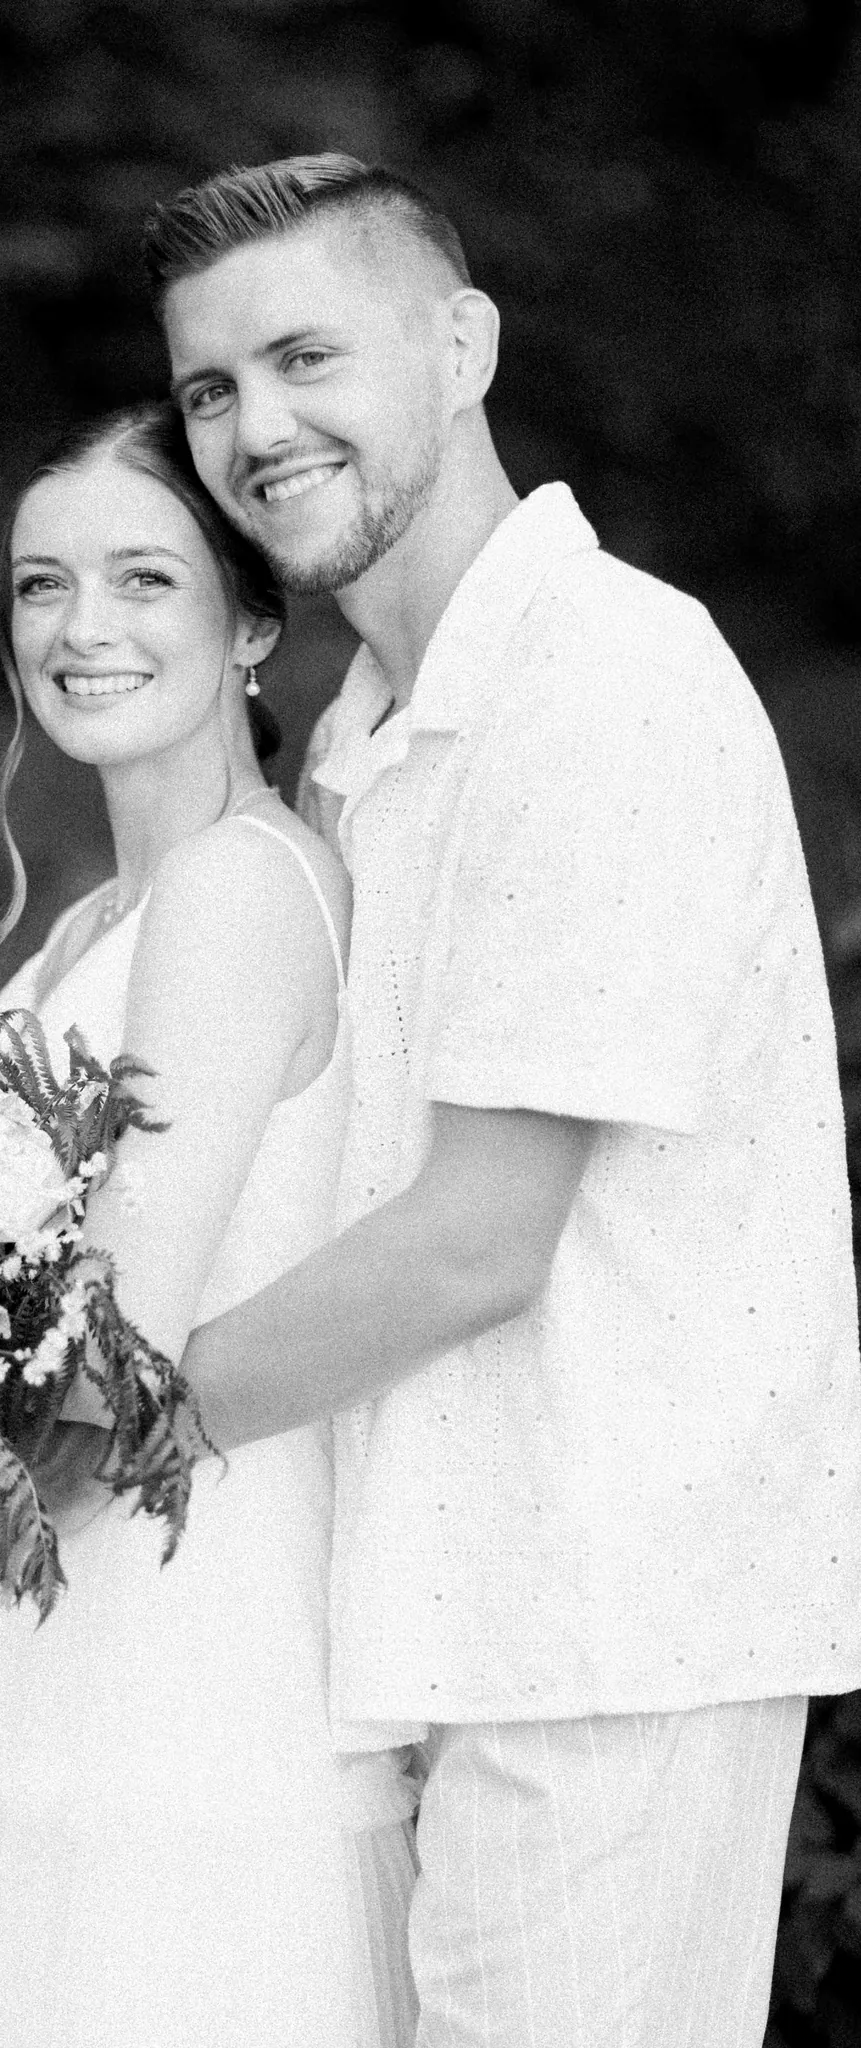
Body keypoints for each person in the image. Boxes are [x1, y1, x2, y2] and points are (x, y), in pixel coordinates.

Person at [140, 154, 860, 2045]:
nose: (256, 427)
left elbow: (477, 1242)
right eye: (211, 390)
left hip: (604, 1622)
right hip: (430, 1613)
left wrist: (100, 1421)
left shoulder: (601, 678)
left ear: (460, 344)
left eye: (306, 356)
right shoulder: (364, 749)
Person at [0, 402, 420, 2048]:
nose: (80, 629)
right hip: (48, 1615)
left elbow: (110, 1349)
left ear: (256, 622)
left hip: (166, 1659)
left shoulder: (235, 892)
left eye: (145, 580)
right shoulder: (93, 920)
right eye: (39, 586)